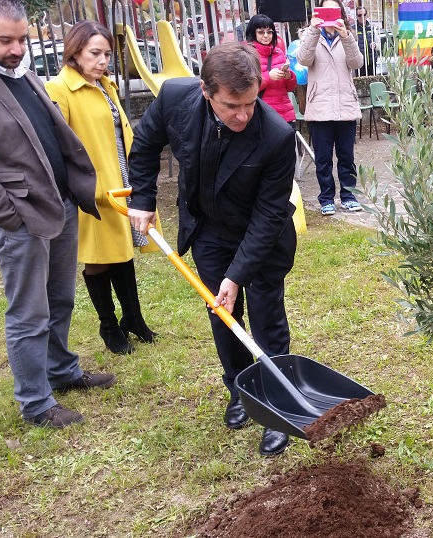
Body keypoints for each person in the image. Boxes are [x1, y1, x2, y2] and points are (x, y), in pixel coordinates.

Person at [0, 0, 116, 428]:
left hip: (60, 206)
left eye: (22, 38)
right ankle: (36, 403)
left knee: (60, 299)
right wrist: (10, 215)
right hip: (21, 218)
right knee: (28, 312)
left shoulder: (23, 72)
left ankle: (61, 371)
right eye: (6, 40)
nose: (17, 48)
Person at [126, 42, 297, 457]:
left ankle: (277, 406)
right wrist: (143, 199)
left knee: (266, 318)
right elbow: (146, 145)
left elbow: (268, 216)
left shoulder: (276, 136)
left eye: (250, 104)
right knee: (222, 314)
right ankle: (240, 388)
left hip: (260, 237)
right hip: (208, 231)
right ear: (206, 91)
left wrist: (237, 276)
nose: (242, 115)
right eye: (231, 106)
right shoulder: (174, 98)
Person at [45, 21, 162, 356]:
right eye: (95, 53)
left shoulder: (103, 85)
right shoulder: (59, 89)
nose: (102, 60)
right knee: (99, 257)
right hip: (91, 187)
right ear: (75, 51)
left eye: (107, 54)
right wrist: (81, 185)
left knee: (121, 250)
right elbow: (58, 145)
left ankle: (133, 319)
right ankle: (108, 325)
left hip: (121, 177)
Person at [297, 0, 364, 216]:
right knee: (323, 159)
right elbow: (303, 59)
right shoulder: (310, 36)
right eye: (325, 10)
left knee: (347, 157)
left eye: (334, 10)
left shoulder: (348, 36)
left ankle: (348, 196)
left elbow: (357, 63)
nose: (329, 15)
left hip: (345, 106)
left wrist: (346, 36)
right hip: (320, 108)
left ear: (341, 13)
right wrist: (313, 30)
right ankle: (326, 198)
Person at [246, 14, 298, 126]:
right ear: (253, 33)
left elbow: (291, 88)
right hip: (262, 115)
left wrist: (289, 76)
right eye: (261, 32)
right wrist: (269, 77)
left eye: (269, 32)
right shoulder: (246, 55)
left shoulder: (279, 53)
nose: (266, 36)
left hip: (285, 115)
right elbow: (245, 87)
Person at [354, 6, 379, 77]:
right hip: (359, 64)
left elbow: (379, 45)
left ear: (367, 15)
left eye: (364, 15)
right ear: (356, 16)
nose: (362, 17)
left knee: (372, 84)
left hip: (371, 63)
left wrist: (375, 45)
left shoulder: (372, 28)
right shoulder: (353, 29)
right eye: (359, 15)